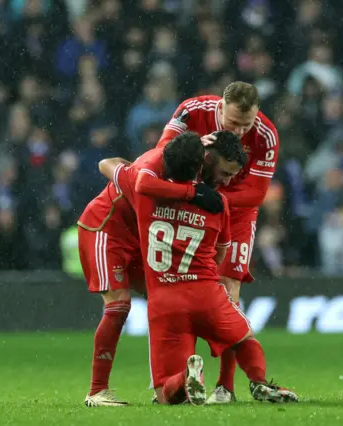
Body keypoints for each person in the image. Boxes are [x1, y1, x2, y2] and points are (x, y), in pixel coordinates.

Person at [111, 132, 298, 405]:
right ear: (204, 162)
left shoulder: (145, 193)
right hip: (205, 292)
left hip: (164, 300)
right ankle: (259, 382)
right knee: (244, 338)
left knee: (165, 394)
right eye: (225, 173)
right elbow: (221, 252)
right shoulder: (218, 203)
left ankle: (185, 377)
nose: (227, 180)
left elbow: (110, 165)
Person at [150, 81, 278, 403]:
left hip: (233, 213)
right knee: (190, 287)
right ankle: (182, 374)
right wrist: (194, 192)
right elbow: (163, 153)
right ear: (220, 107)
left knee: (229, 292)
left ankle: (226, 386)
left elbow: (256, 194)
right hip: (190, 201)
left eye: (245, 125)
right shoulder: (192, 111)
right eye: (233, 123)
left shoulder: (266, 135)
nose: (238, 131)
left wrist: (215, 199)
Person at [79, 134, 223, 407]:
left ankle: (168, 380)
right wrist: (193, 194)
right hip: (104, 230)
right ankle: (97, 391)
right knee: (119, 306)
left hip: (137, 239)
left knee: (171, 299)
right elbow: (107, 164)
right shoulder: (143, 176)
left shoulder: (178, 167)